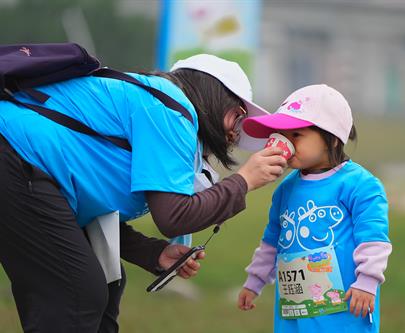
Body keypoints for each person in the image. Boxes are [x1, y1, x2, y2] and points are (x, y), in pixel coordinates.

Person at [0, 53, 287, 332]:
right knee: (77, 294)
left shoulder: (160, 104)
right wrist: (244, 181)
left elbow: (90, 210)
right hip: (14, 156)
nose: (233, 137)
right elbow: (173, 216)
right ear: (218, 99)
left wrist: (153, 253)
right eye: (238, 120)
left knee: (107, 282)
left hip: (24, 167)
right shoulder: (169, 108)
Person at [237, 84, 392, 332]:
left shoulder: (359, 184)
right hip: (294, 309)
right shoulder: (286, 189)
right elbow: (272, 241)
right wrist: (254, 281)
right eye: (281, 135)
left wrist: (367, 281)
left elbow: (373, 238)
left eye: (296, 135)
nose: (284, 143)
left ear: (330, 137)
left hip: (343, 309)